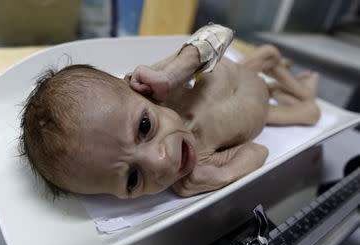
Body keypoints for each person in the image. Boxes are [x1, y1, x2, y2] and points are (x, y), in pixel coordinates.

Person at [20, 23, 320, 199]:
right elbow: (257, 152)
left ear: (134, 87)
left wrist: (177, 70)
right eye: (133, 179)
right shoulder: (198, 161)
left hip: (245, 70)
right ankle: (295, 93)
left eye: (145, 127)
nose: (160, 161)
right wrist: (217, 177)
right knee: (310, 114)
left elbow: (219, 32)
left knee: (268, 54)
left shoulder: (159, 82)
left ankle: (297, 87)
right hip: (264, 110)